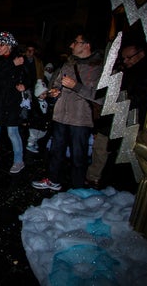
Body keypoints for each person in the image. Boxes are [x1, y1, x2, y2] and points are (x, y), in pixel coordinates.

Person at [32, 32, 103, 191]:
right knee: (56, 152)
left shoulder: (98, 68)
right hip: (60, 117)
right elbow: (55, 85)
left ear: (86, 45)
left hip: (80, 120)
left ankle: (78, 189)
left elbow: (100, 97)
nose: (71, 45)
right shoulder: (68, 64)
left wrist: (75, 86)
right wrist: (54, 92)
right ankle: (53, 180)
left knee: (79, 157)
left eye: (75, 42)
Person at [85, 40, 147, 188]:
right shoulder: (125, 71)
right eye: (123, 58)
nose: (125, 61)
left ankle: (112, 183)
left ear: (141, 54)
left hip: (130, 121)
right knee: (101, 148)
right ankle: (96, 179)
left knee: (120, 156)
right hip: (113, 118)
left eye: (129, 57)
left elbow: (138, 99)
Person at [0, 31, 29, 174]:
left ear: (9, 45)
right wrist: (11, 64)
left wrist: (24, 85)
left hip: (11, 102)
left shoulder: (20, 59)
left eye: (1, 45)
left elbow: (29, 76)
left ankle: (19, 161)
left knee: (12, 132)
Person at [25, 79, 53, 154]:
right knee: (33, 134)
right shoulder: (34, 103)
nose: (44, 96)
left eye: (45, 94)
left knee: (41, 133)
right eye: (42, 94)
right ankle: (30, 144)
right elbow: (33, 113)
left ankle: (34, 142)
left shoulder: (45, 102)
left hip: (42, 121)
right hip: (35, 122)